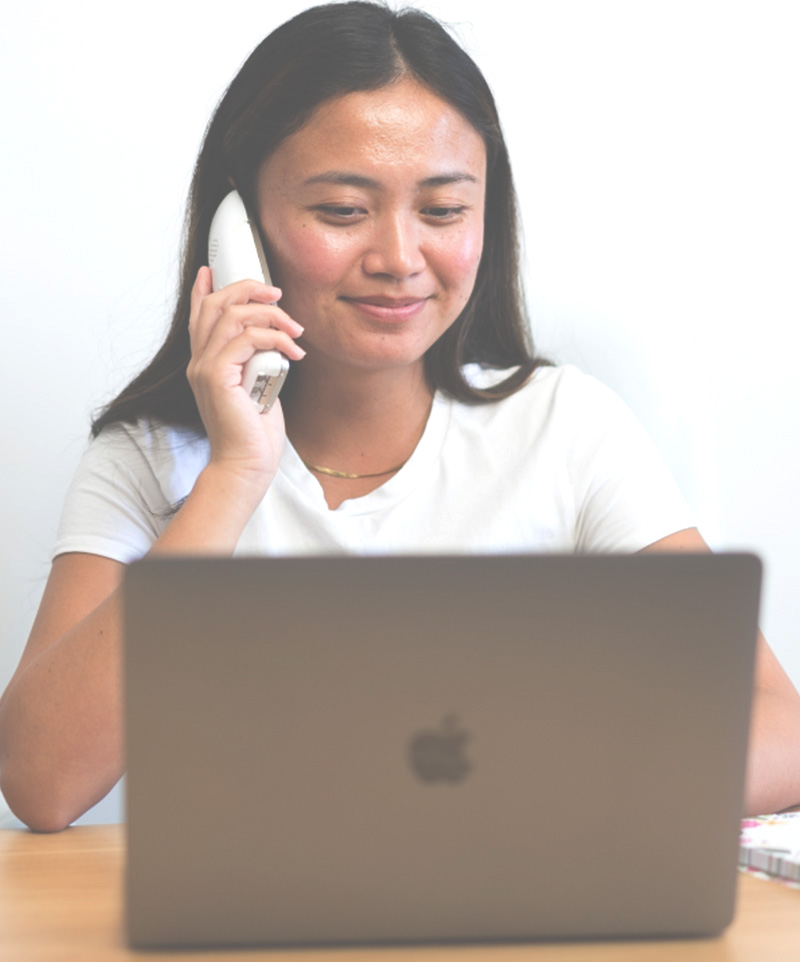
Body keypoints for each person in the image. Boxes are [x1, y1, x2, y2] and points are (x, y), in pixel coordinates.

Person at [1, 1, 798, 832]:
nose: (399, 259)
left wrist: (543, 789)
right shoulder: (152, 460)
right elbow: (42, 781)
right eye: (343, 211)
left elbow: (782, 729)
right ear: (238, 226)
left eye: (444, 211)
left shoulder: (566, 429)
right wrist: (236, 476)